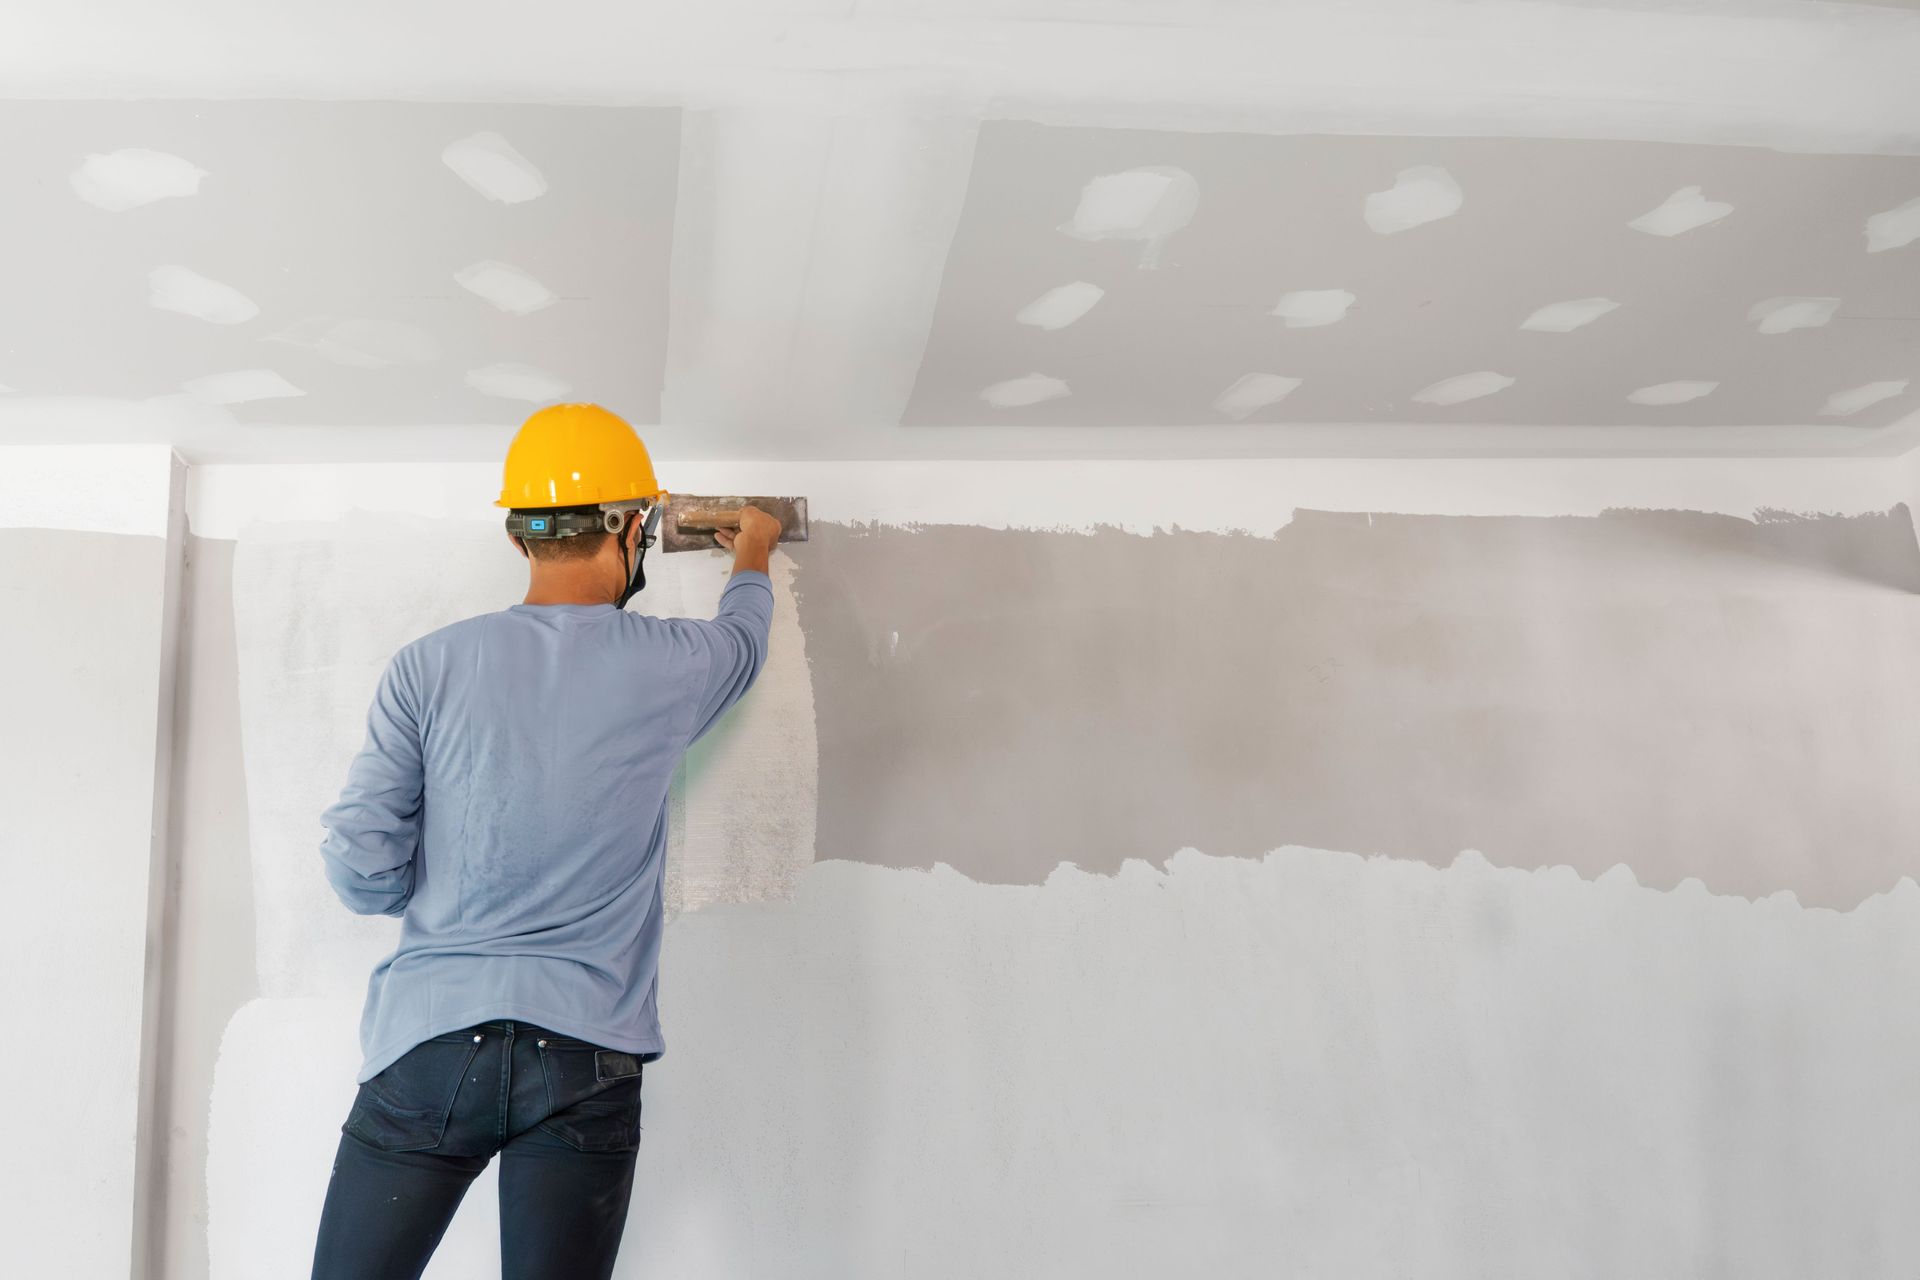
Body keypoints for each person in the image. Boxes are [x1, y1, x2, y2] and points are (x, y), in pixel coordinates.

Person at [309, 403, 783, 1280]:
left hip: (432, 1042)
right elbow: (745, 643)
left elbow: (362, 875)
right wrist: (752, 545)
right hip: (585, 1058)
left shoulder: (427, 666)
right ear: (631, 528)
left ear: (519, 537)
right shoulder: (674, 663)